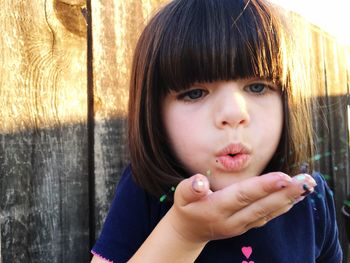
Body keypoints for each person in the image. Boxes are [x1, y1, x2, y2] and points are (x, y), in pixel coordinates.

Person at [91, 0, 343, 262]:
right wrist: (184, 233)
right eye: (196, 93)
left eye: (257, 87)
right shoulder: (145, 192)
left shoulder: (310, 198)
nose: (234, 113)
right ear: (155, 113)